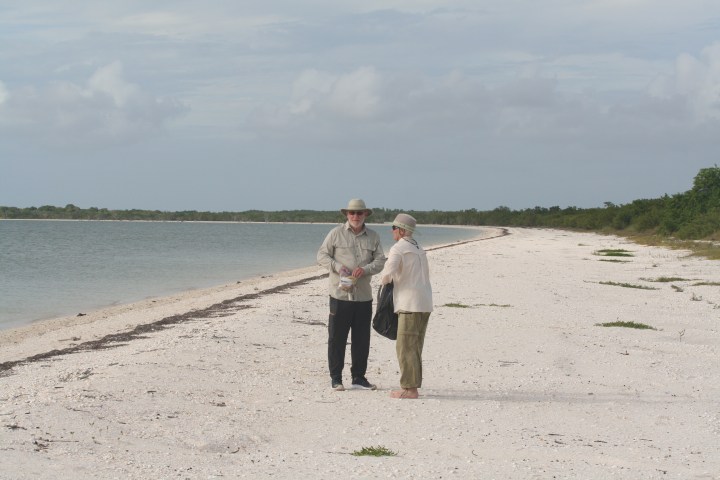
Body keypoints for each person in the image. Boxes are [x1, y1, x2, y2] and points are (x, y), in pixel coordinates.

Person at [317, 199, 386, 391]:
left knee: (362, 339)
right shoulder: (335, 234)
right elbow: (321, 256)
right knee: (336, 338)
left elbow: (381, 260)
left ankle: (359, 378)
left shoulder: (373, 236)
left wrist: (365, 270)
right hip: (339, 295)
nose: (355, 216)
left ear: (365, 215)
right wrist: (339, 267)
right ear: (346, 215)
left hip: (363, 296)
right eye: (352, 213)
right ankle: (336, 378)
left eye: (359, 213)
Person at [379, 213, 433, 399]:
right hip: (425, 301)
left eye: (394, 228)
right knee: (415, 346)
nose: (392, 231)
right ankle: (413, 385)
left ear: (402, 230)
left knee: (405, 346)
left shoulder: (398, 248)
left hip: (409, 302)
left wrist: (385, 281)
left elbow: (387, 273)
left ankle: (409, 389)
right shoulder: (418, 247)